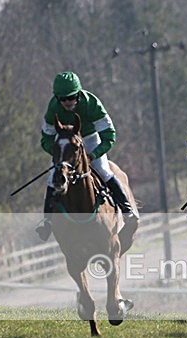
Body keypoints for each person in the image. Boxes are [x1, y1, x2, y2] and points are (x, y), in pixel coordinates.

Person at [37, 71, 136, 241]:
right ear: (57, 98)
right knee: (52, 176)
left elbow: (109, 135)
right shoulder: (53, 108)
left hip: (90, 139)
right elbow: (45, 139)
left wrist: (94, 154)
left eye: (71, 97)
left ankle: (127, 211)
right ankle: (46, 222)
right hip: (65, 145)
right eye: (63, 99)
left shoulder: (92, 104)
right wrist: (58, 156)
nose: (67, 102)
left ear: (79, 94)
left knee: (104, 170)